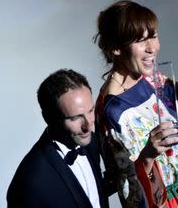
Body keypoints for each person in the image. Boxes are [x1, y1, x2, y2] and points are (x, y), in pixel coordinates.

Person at [93, 0, 178, 208]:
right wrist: (147, 156)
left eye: (153, 36)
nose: (152, 48)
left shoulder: (151, 80)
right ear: (116, 48)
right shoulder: (113, 111)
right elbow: (128, 190)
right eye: (140, 40)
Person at [7, 69, 110, 208]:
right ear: (48, 118)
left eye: (91, 111)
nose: (89, 126)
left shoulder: (89, 141)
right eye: (76, 117)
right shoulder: (29, 182)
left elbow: (90, 195)